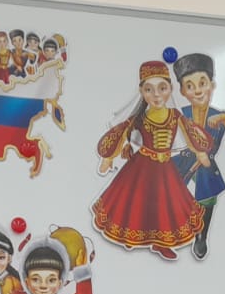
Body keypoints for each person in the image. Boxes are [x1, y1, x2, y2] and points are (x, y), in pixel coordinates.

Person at [90, 61, 210, 260]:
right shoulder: (139, 118)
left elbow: (190, 133)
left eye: (162, 88)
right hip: (141, 167)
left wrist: (201, 152)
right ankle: (132, 235)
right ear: (142, 92)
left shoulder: (175, 116)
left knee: (163, 206)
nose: (156, 95)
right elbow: (120, 134)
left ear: (170, 89)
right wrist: (108, 158)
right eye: (149, 90)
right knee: (136, 203)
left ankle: (160, 243)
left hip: (165, 170)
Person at [171, 52, 225, 260]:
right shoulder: (180, 113)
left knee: (208, 191)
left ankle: (201, 235)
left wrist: (224, 118)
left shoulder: (218, 115)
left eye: (202, 83)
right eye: (190, 86)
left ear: (212, 86)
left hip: (206, 163)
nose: (197, 90)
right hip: (183, 159)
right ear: (183, 91)